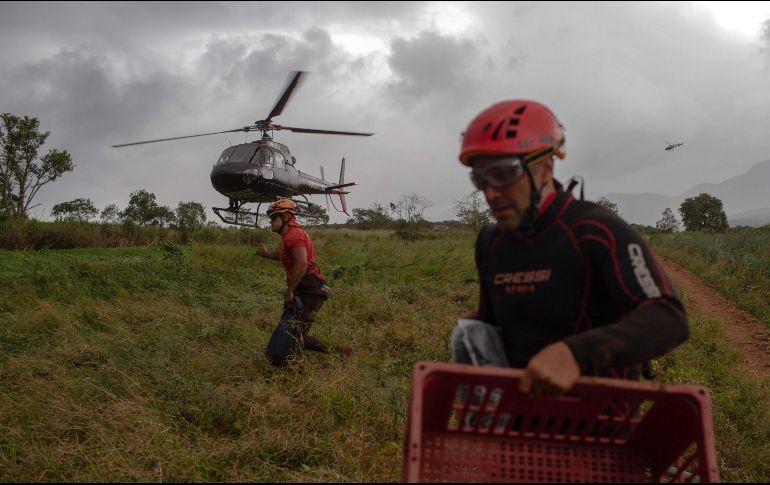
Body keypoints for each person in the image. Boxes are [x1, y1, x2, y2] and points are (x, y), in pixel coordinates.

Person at [453, 100, 689, 397]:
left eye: (503, 174)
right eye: (480, 179)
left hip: (596, 424)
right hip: (516, 419)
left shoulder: (596, 230)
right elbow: (494, 323)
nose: (491, 193)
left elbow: (669, 318)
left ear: (545, 167)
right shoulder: (491, 242)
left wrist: (575, 354)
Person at [257, 199, 351, 359]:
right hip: (307, 289)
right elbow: (286, 256)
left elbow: (302, 262)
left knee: (294, 335)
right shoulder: (289, 237)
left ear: (285, 217)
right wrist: (266, 255)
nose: (271, 222)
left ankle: (341, 353)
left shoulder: (294, 235)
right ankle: (339, 353)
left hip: (311, 290)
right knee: (294, 333)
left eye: (274, 218)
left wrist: (290, 290)